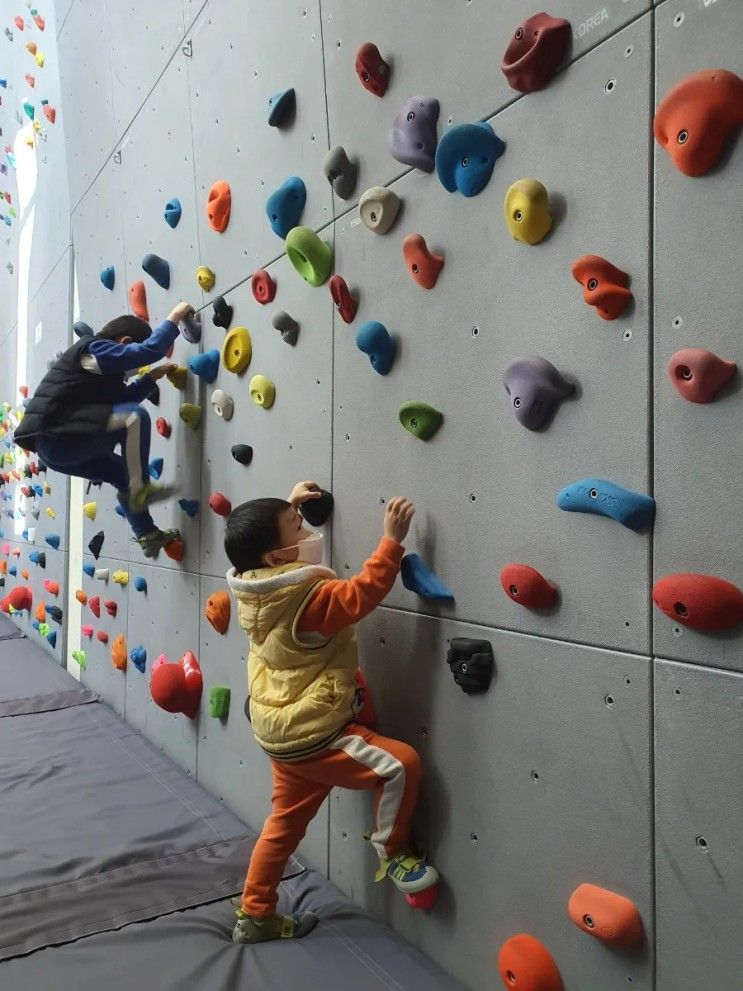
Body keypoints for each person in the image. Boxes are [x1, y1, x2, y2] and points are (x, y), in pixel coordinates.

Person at [225, 481, 439, 944]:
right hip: (313, 735)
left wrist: (289, 503)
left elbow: (269, 544)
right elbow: (360, 594)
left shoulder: (256, 591)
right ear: (276, 558)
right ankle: (393, 851)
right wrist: (391, 539)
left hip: (279, 731)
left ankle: (255, 913)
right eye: (297, 526)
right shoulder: (310, 600)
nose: (304, 529)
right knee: (401, 765)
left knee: (281, 826)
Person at [13, 302, 194, 558]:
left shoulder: (98, 369)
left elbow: (122, 398)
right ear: (124, 342)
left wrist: (150, 379)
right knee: (134, 417)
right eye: (130, 357)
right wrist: (175, 317)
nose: (131, 370)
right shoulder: (93, 351)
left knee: (122, 473)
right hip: (60, 438)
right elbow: (147, 351)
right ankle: (140, 489)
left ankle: (147, 534)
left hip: (55, 449)